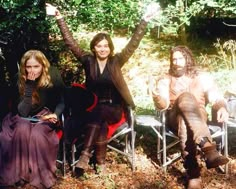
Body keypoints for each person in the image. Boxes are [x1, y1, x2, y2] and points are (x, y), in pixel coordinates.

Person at [45, 2, 161, 173]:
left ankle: (85, 155)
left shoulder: (116, 61)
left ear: (110, 48)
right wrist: (59, 17)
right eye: (99, 46)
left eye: (106, 46)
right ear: (93, 48)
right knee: (99, 120)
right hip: (93, 108)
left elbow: (133, 44)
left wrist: (145, 20)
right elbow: (70, 43)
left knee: (99, 113)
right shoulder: (88, 61)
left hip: (114, 108)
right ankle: (100, 162)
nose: (103, 49)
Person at [150, 45, 229, 189]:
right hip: (173, 117)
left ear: (187, 59)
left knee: (185, 122)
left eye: (180, 58)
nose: (177, 62)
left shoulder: (201, 77)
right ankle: (208, 148)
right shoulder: (166, 79)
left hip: (198, 117)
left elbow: (215, 96)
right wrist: (157, 97)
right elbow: (163, 104)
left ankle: (193, 174)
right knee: (185, 99)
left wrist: (222, 106)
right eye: (174, 59)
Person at [0, 50, 65, 189]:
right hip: (21, 115)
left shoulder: (53, 75)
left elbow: (63, 99)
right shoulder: (19, 78)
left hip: (45, 114)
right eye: (28, 67)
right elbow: (23, 111)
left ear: (43, 66)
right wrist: (29, 85)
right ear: (24, 67)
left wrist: (56, 114)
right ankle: (19, 176)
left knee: (37, 134)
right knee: (22, 129)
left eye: (36, 66)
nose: (32, 70)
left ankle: (41, 178)